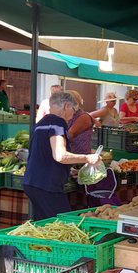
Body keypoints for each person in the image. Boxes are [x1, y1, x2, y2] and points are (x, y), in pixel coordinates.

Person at [23, 92, 100, 220]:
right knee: (63, 224)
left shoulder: (42, 122)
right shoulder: (58, 122)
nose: (73, 114)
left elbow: (45, 154)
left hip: (33, 182)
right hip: (46, 185)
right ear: (66, 106)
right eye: (74, 110)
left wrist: (68, 170)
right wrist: (88, 158)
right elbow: (60, 156)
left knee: (44, 225)